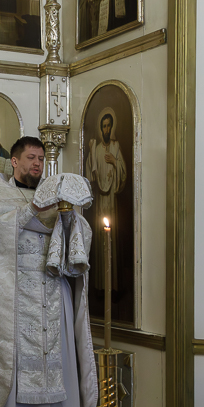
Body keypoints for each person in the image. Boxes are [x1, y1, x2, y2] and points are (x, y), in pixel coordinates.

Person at [0, 137, 98, 407]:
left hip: (53, 290)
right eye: (30, 157)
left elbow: (78, 235)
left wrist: (68, 217)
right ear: (14, 161)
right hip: (14, 293)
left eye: (41, 158)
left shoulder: (56, 195)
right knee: (16, 367)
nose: (37, 164)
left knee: (56, 363)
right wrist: (33, 210)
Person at [84, 109, 126, 294]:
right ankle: (101, 286)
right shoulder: (96, 148)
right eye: (104, 126)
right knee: (101, 239)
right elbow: (90, 174)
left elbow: (123, 173)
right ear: (101, 128)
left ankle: (113, 286)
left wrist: (115, 162)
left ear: (112, 127)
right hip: (100, 202)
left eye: (109, 126)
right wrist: (92, 153)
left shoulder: (116, 147)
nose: (106, 129)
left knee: (112, 240)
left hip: (112, 201)